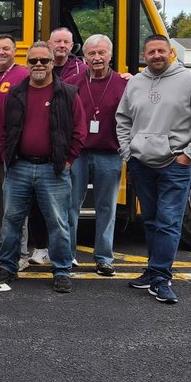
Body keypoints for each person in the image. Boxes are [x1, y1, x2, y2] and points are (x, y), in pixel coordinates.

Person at [116, 33, 191, 303]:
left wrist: (189, 154)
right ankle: (152, 271)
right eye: (151, 52)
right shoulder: (136, 83)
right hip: (142, 163)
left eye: (161, 51)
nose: (156, 56)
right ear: (145, 55)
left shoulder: (190, 82)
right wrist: (129, 152)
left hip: (175, 164)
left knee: (169, 221)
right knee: (150, 220)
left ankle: (161, 277)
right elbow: (123, 119)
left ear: (170, 52)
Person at [0, 42, 86, 293]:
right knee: (12, 220)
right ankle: (8, 266)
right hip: (19, 167)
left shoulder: (68, 93)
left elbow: (79, 130)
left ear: (53, 63)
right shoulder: (16, 94)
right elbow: (1, 130)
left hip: (53, 170)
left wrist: (68, 160)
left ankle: (62, 270)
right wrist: (9, 157)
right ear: (27, 64)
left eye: (44, 60)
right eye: (33, 61)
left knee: (58, 222)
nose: (39, 65)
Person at [64, 34, 127, 277]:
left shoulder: (124, 83)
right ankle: (68, 256)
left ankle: (103, 258)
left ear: (110, 55)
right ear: (84, 57)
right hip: (78, 153)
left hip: (110, 154)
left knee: (106, 207)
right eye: (92, 53)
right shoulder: (73, 82)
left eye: (102, 53)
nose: (97, 58)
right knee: (70, 206)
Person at [0, 34, 29, 266]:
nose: (1, 52)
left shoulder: (23, 75)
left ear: (15, 51)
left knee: (16, 204)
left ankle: (20, 253)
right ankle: (1, 249)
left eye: (6, 49)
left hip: (12, 151)